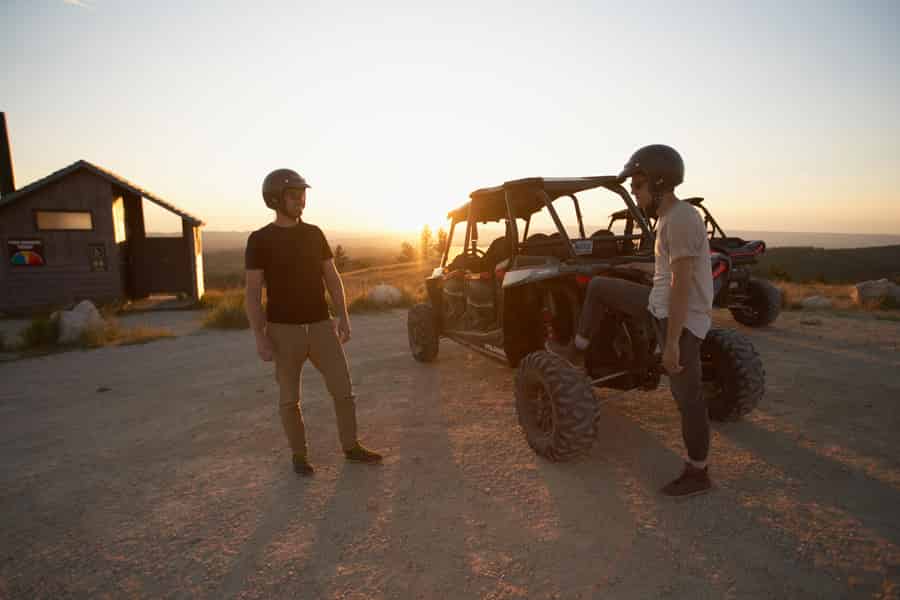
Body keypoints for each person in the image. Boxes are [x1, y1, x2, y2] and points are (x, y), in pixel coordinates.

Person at [551, 145, 714, 497]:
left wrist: (670, 345)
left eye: (638, 187)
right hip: (659, 306)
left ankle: (698, 471)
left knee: (688, 398)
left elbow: (682, 283)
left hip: (679, 320)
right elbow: (667, 271)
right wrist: (634, 269)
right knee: (600, 286)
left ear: (658, 183)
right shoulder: (669, 219)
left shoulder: (682, 219)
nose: (636, 195)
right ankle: (578, 351)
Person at [244, 169, 382, 476]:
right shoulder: (259, 240)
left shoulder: (314, 234)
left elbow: (332, 279)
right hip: (282, 331)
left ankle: (351, 446)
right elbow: (252, 294)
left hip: (321, 326)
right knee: (289, 399)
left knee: (344, 390)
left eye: (303, 194)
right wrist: (260, 336)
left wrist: (344, 316)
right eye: (294, 194)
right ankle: (299, 456)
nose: (301, 200)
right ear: (276, 199)